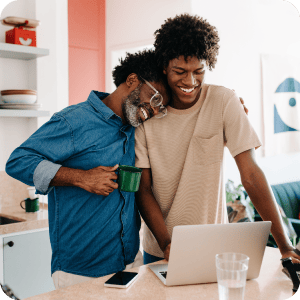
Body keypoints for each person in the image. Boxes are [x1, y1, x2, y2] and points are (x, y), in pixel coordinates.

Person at [135, 14, 300, 265]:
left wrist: (285, 246)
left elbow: (252, 175)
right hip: (160, 249)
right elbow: (143, 189)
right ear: (165, 67)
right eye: (180, 71)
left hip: (214, 245)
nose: (190, 82)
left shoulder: (224, 102)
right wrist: (167, 243)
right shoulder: (147, 114)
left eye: (198, 71)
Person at [5, 49, 169, 289]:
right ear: (132, 80)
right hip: (80, 271)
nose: (154, 110)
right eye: (154, 98)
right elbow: (18, 161)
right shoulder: (74, 121)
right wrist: (80, 178)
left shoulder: (136, 128)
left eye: (160, 107)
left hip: (130, 262)